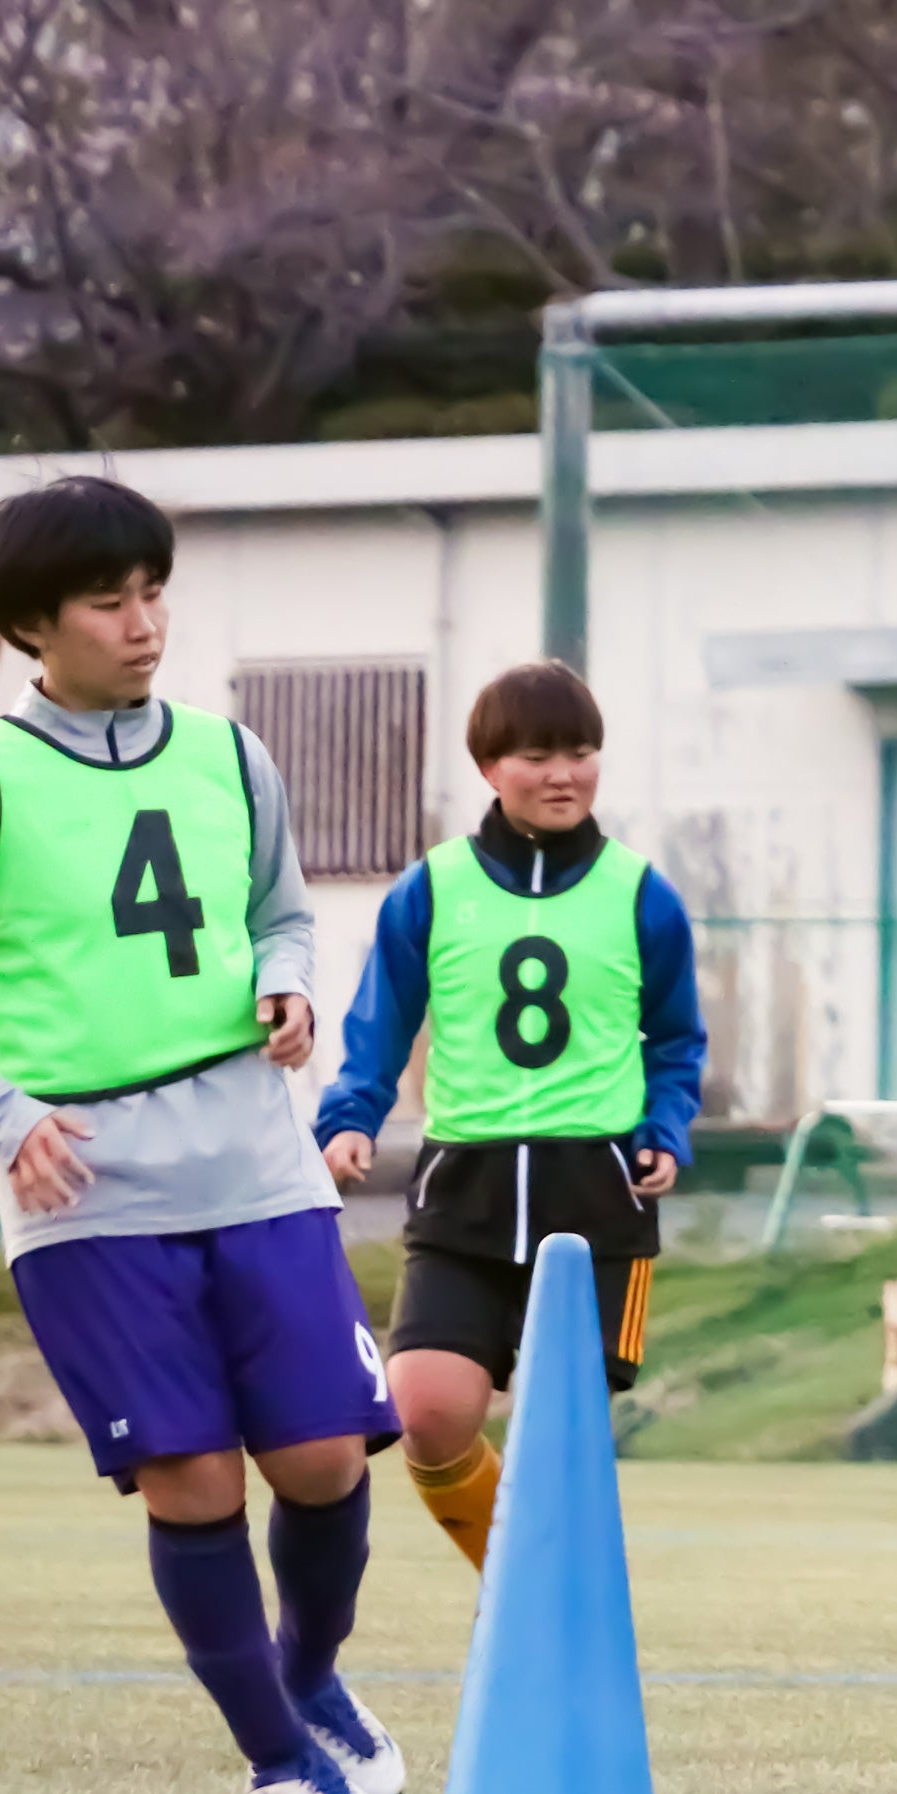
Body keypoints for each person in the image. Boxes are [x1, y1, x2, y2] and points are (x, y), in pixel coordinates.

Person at [0, 477, 399, 1794]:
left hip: (254, 1156)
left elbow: (282, 911)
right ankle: (278, 1764)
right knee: (193, 1475)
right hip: (88, 1183)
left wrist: (289, 985)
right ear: (37, 626)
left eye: (155, 592)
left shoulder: (228, 753)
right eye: (110, 601)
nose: (144, 622)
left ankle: (308, 1679)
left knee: (325, 1457)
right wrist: (2, 1112)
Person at [317, 662, 705, 1570]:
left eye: (581, 751)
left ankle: (559, 1601)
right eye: (537, 755)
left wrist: (665, 1129)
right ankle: (536, 1585)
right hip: (466, 1189)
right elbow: (381, 1023)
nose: (564, 772)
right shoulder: (432, 888)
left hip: (598, 1197)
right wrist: (351, 1117)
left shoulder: (641, 893)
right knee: (427, 1413)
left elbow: (678, 1041)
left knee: (562, 1436)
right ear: (491, 767)